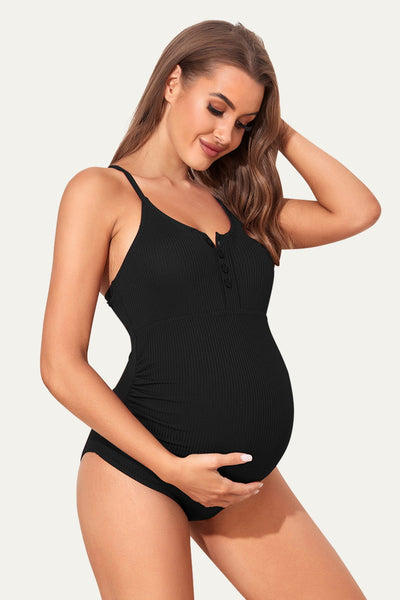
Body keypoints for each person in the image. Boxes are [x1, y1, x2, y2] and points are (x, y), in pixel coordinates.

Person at [40, 19, 380, 600]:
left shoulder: (240, 203)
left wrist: (273, 126)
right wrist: (170, 467)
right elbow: (60, 364)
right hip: (139, 472)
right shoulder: (101, 192)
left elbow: (357, 211)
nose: (226, 133)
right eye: (217, 108)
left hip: (241, 480)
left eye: (243, 122)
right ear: (173, 83)